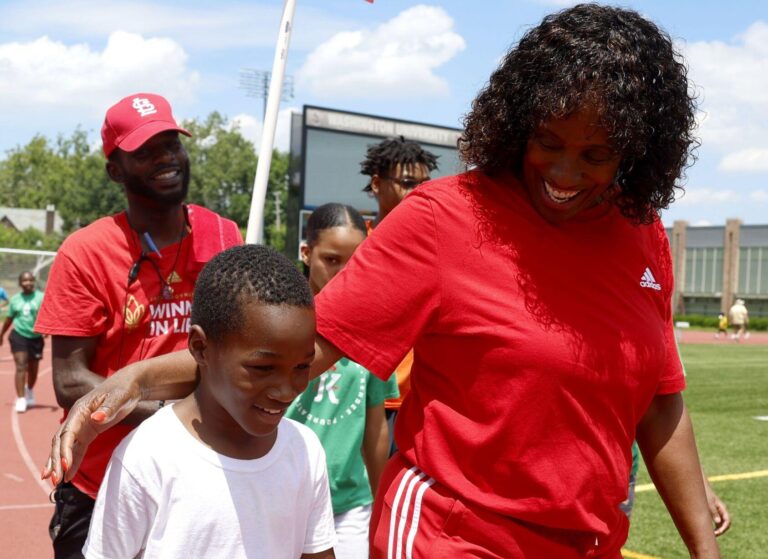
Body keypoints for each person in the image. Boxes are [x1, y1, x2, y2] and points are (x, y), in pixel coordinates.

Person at [44, 5, 722, 557]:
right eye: (548, 141)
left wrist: (705, 548)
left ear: (638, 148)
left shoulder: (643, 232)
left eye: (596, 154)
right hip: (455, 536)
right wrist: (137, 377)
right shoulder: (448, 217)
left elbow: (661, 399)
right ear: (517, 120)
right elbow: (302, 349)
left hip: (590, 539)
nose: (566, 172)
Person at [35, 92, 242, 558]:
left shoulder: (224, 237)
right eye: (146, 151)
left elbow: (236, 352)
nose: (166, 159)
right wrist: (182, 420)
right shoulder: (86, 251)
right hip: (102, 486)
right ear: (115, 170)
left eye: (172, 144)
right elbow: (70, 382)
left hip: (200, 479)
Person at [83, 245, 335, 559]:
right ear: (201, 348)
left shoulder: (304, 449)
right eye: (262, 368)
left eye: (302, 367)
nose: (286, 391)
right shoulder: (148, 457)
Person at [289, 203, 398, 558]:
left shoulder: (376, 326)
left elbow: (376, 427)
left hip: (350, 504)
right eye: (332, 260)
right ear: (307, 253)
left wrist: (381, 502)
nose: (343, 273)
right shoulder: (278, 320)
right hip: (284, 495)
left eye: (354, 262)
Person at [360, 136, 438, 455]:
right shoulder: (352, 244)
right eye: (408, 182)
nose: (418, 192)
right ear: (378, 184)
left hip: (416, 406)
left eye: (425, 183)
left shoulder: (434, 246)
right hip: (361, 403)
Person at [0, 271, 45, 413]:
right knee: (21, 365)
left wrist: (47, 328)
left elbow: (48, 313)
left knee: (33, 368)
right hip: (19, 335)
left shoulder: (41, 297)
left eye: (31, 280)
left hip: (36, 337)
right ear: (20, 283)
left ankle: (29, 390)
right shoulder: (15, 300)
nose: (28, 283)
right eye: (25, 281)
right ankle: (20, 399)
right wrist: (1, 334)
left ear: (34, 282)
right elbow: (9, 319)